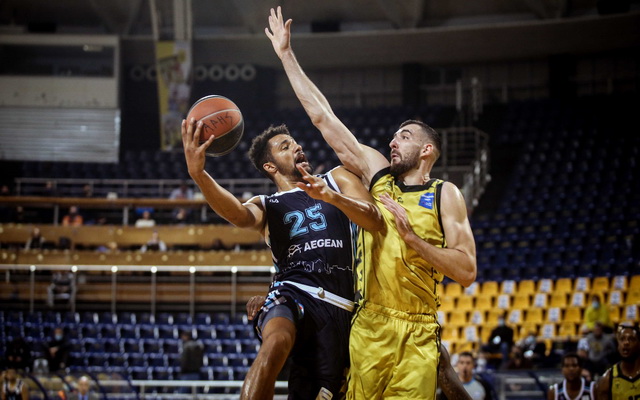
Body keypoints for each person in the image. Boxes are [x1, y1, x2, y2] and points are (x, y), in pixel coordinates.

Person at [265, 7, 477, 399]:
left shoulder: (445, 194)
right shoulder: (378, 176)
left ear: (428, 150)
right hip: (369, 323)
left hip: (418, 329)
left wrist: (414, 241)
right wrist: (286, 56)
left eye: (405, 136)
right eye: (394, 136)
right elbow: (323, 118)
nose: (393, 141)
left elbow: (466, 271)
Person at [182, 118, 383, 400]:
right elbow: (238, 214)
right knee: (275, 342)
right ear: (270, 166)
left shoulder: (336, 180)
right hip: (292, 292)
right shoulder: (267, 204)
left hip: (339, 305)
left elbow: (375, 220)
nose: (297, 147)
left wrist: (332, 198)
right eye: (285, 147)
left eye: (295, 143)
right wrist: (199, 174)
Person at [594, 324, 640, 399]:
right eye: (622, 339)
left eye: (631, 339)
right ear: (618, 345)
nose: (626, 342)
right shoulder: (607, 380)